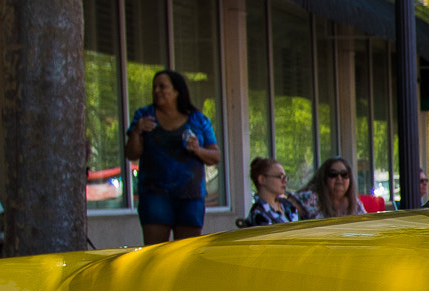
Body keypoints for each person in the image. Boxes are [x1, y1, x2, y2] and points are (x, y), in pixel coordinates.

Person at [124, 69, 221, 244]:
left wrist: (198, 150)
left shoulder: (198, 120)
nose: (157, 91)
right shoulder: (144, 116)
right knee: (155, 252)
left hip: (191, 196)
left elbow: (215, 156)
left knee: (187, 252)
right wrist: (137, 131)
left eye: (162, 86)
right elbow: (131, 154)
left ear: (177, 91)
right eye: (154, 87)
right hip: (155, 194)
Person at [298, 157, 367, 219]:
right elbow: (290, 207)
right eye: (333, 174)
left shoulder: (355, 204)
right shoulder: (310, 198)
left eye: (344, 174)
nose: (339, 178)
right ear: (324, 178)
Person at [244, 158, 305, 226]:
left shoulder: (287, 205)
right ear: (262, 179)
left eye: (285, 177)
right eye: (280, 176)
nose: (284, 181)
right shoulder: (258, 215)